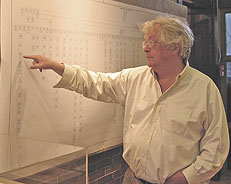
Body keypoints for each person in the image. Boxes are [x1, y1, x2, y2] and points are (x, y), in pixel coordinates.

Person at [24, 16, 230, 184]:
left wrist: (187, 177)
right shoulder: (135, 78)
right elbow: (97, 83)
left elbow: (217, 147)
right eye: (145, 42)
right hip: (133, 179)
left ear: (174, 48)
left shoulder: (204, 89)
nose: (145, 48)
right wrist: (57, 66)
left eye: (152, 42)